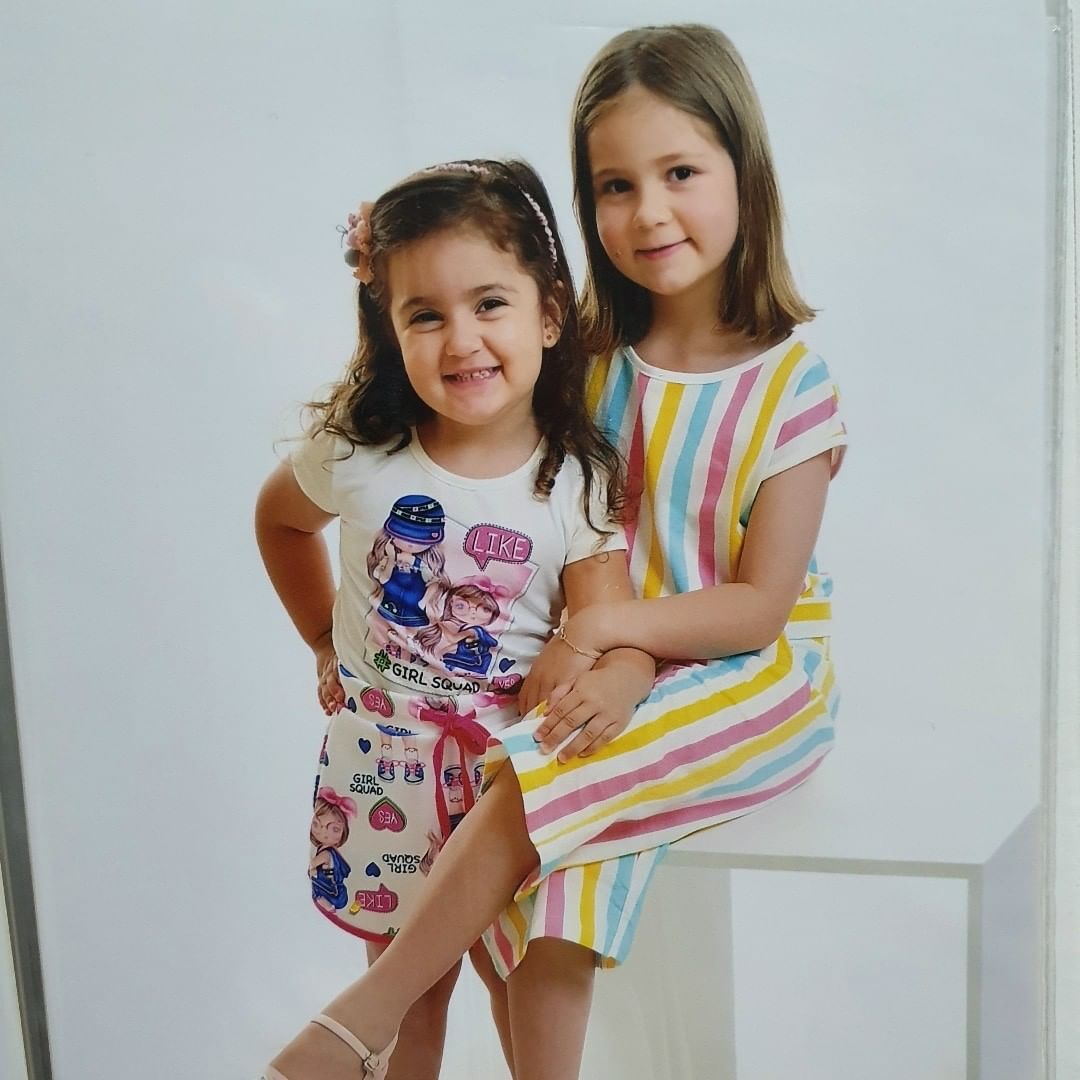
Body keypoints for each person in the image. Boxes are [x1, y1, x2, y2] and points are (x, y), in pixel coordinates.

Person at [262, 22, 848, 1080]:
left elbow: (759, 609)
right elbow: (464, 408)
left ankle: (355, 1023)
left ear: (745, 172)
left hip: (745, 671)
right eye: (616, 186)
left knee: (539, 770)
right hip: (596, 661)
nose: (650, 210)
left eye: (680, 172)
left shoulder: (790, 389)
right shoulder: (580, 353)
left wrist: (604, 637)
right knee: (557, 881)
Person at [255, 157, 654, 1080]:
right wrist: (320, 638)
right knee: (407, 1000)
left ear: (548, 313)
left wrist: (583, 654)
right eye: (425, 315)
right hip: (385, 768)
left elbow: (607, 622)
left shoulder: (574, 478)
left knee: (523, 987)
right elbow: (280, 521)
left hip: (510, 784)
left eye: (489, 304)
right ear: (389, 329)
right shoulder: (359, 452)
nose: (461, 339)